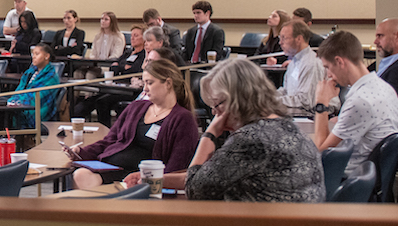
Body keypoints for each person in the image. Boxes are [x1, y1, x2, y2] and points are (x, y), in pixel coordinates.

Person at [139, 57, 323, 202]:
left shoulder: (250, 139)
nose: (215, 113)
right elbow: (212, 175)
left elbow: (195, 188)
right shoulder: (289, 127)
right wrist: (156, 179)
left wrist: (208, 136)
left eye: (217, 104)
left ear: (235, 100)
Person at [67, 59, 198, 189]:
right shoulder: (136, 107)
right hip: (111, 169)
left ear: (168, 83)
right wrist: (81, 152)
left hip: (140, 180)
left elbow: (176, 168)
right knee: (79, 175)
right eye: (144, 82)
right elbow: (109, 141)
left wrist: (147, 179)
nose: (145, 88)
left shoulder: (183, 119)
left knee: (84, 181)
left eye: (150, 83)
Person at [313, 31, 398, 178]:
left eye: (328, 67)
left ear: (340, 62)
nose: (328, 75)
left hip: (347, 178)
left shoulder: (360, 101)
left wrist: (321, 104)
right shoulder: (386, 88)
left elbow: (320, 151)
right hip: (372, 174)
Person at [276, 20, 325, 115]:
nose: (280, 43)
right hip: (296, 112)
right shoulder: (293, 62)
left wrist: (273, 101)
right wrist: (266, 97)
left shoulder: (311, 63)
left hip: (312, 116)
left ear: (299, 39)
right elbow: (286, 91)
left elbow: (305, 101)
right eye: (280, 38)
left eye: (284, 38)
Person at [10, 43, 60, 127]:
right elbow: (19, 90)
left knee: (9, 115)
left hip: (37, 110)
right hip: (22, 105)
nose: (33, 56)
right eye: (33, 54)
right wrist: (14, 100)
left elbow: (37, 97)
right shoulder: (29, 73)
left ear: (46, 56)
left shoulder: (51, 77)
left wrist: (17, 102)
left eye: (37, 54)